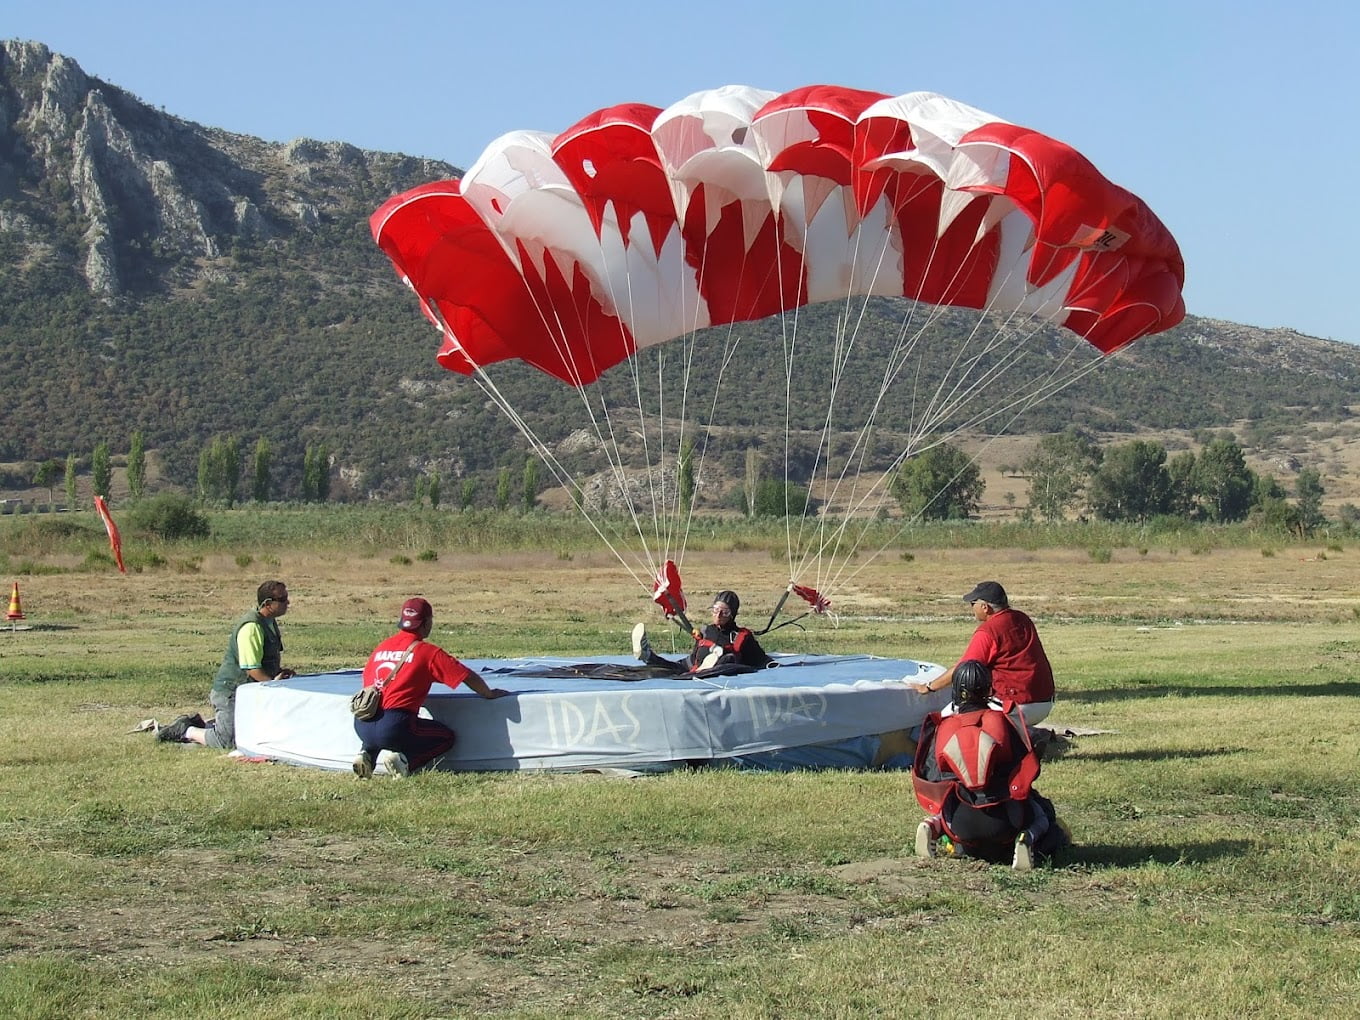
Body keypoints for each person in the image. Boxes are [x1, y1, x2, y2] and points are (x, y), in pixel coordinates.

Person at [911, 660, 1066, 870]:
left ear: (956, 690)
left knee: (952, 804)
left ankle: (934, 825)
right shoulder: (1003, 720)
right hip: (1007, 818)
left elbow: (932, 777)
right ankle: (1026, 838)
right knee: (1043, 812)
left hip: (959, 822)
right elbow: (1026, 768)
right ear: (988, 688)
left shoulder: (942, 728)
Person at [352, 597, 509, 778]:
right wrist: (488, 693)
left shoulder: (382, 647)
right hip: (395, 724)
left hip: (363, 721)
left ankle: (366, 755)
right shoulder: (428, 653)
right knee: (445, 737)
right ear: (426, 622)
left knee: (378, 734)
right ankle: (405, 762)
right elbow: (465, 675)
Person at [157, 580, 296, 749]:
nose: (287, 602)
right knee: (227, 741)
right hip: (231, 692)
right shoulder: (251, 627)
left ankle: (204, 725)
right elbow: (252, 668)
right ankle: (187, 730)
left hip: (249, 692)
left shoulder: (270, 622)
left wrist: (280, 673)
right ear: (267, 604)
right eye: (282, 599)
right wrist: (273, 684)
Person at [911, 580, 1054, 727]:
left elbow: (963, 670)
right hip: (1045, 702)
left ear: (985, 607)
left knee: (945, 720)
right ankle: (1022, 735)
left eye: (973, 603)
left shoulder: (988, 631)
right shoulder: (1022, 618)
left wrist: (929, 687)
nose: (971, 608)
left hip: (1015, 707)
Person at [631, 589, 774, 674]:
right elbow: (691, 661)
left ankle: (716, 662)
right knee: (672, 668)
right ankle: (648, 655)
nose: (718, 615)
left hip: (723, 670)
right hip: (695, 668)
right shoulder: (706, 631)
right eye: (716, 610)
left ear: (732, 614)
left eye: (724, 612)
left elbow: (762, 661)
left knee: (728, 658)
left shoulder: (742, 636)